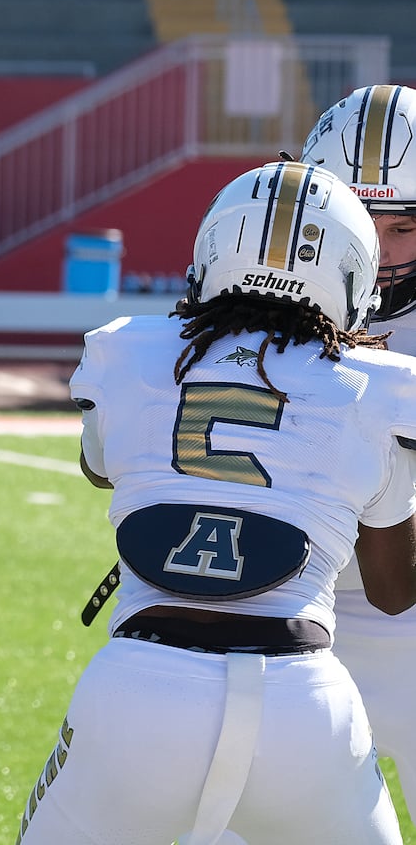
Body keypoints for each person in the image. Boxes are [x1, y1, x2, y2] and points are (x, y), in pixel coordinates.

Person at [17, 161, 416, 844]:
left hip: (141, 685)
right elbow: (390, 591)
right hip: (304, 702)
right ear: (350, 274)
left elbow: (98, 468)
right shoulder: (380, 389)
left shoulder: (130, 352)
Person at [298, 83, 416, 825]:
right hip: (279, 613)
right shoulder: (245, 297)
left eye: (401, 226)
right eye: (356, 221)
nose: (374, 250)